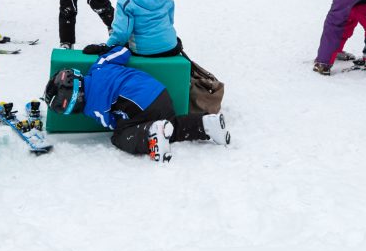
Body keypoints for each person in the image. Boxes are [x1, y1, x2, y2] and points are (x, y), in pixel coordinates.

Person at [43, 46, 230, 164]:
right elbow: (123, 52)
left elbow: (113, 123)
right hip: (160, 93)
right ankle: (205, 125)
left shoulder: (94, 109)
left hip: (142, 109)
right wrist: (103, 48)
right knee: (170, 125)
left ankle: (150, 133)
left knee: (119, 136)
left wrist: (125, 128)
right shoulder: (99, 65)